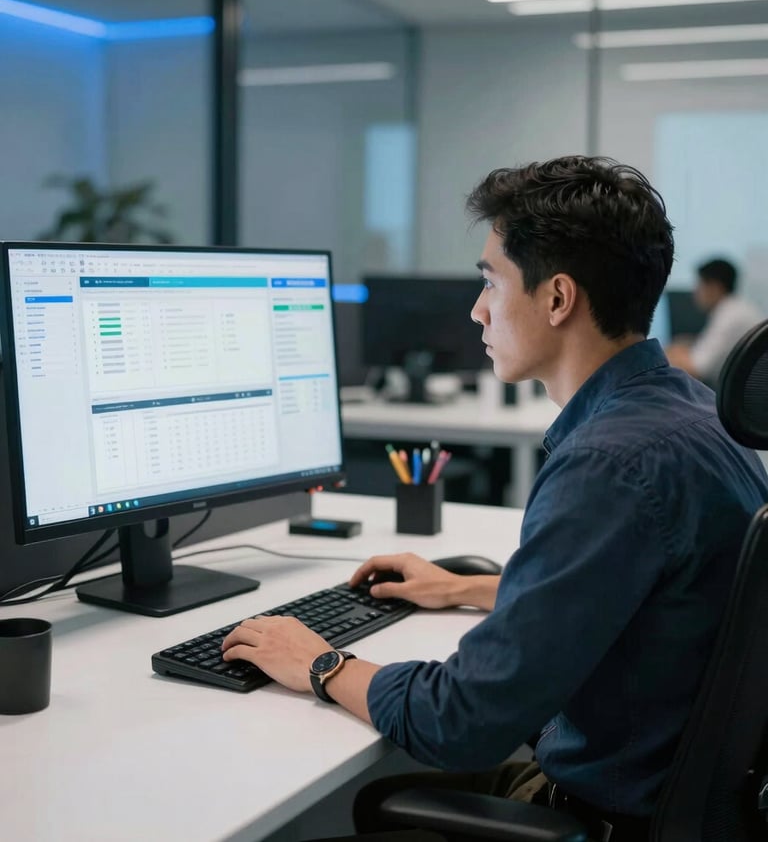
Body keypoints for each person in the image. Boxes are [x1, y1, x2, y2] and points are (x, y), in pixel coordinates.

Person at [221, 157, 768, 841]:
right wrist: (471, 589)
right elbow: (658, 592)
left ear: (557, 298)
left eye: (490, 280)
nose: (477, 309)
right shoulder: (692, 413)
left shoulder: (608, 464)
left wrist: (321, 663)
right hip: (686, 801)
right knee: (376, 797)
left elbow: (462, 722)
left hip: (605, 815)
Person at [666, 257, 762, 386]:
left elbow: (695, 369)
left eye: (699, 285)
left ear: (714, 287)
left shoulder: (729, 317)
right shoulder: (735, 307)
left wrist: (668, 352)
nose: (695, 292)